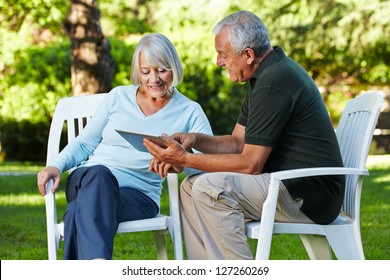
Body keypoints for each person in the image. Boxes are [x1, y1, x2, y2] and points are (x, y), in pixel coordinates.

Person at [144, 11, 345, 259]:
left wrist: (185, 160)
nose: (218, 61)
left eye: (223, 54)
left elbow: (250, 164)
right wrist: (194, 140)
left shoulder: (275, 81)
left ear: (248, 55)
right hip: (285, 185)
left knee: (209, 187)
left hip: (307, 195)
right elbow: (237, 142)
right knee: (190, 187)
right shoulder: (264, 77)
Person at [36, 33, 213, 260]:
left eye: (162, 70)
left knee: (77, 211)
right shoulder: (117, 97)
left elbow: (206, 164)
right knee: (100, 175)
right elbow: (85, 143)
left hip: (138, 198)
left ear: (174, 68)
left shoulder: (190, 111)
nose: (154, 79)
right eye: (146, 71)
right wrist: (56, 166)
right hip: (89, 179)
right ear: (137, 71)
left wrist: (179, 163)